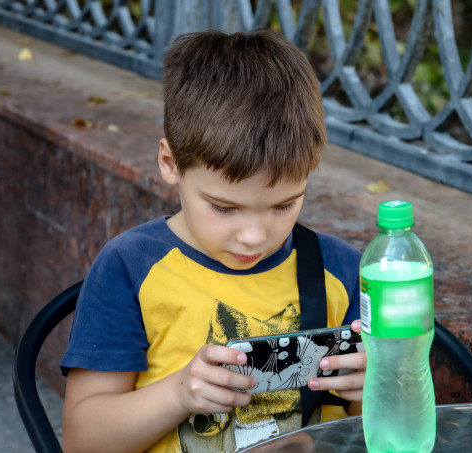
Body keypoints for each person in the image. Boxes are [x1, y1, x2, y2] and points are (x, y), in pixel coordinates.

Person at [60, 29, 366, 453]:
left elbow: (390, 432)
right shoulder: (131, 266)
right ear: (170, 164)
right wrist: (179, 394)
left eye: (284, 206)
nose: (255, 236)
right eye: (224, 208)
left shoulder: (342, 269)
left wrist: (375, 392)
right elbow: (82, 441)